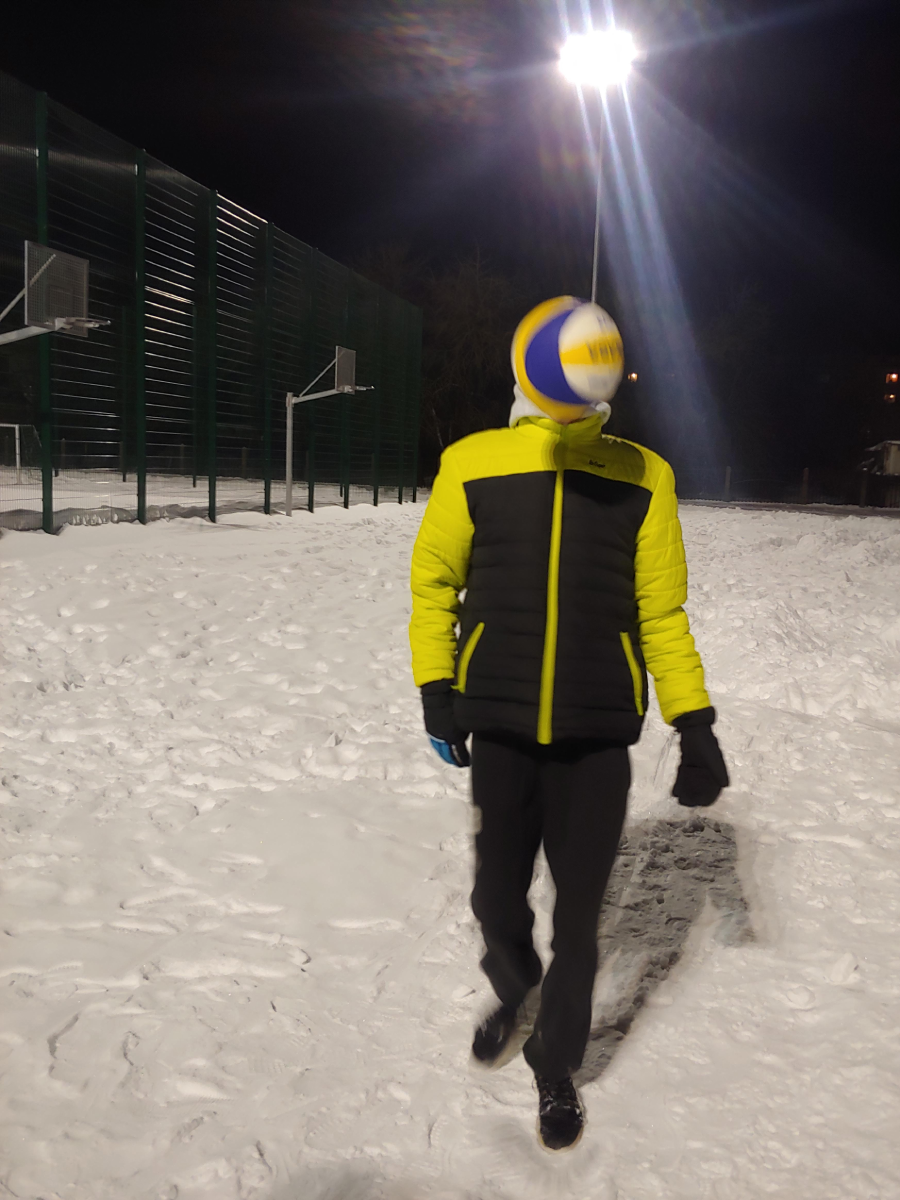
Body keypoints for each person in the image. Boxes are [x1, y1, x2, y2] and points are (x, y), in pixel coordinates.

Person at [408, 296, 728, 1152]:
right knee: (493, 898)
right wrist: (439, 687)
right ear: (529, 367)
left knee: (580, 924)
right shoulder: (472, 462)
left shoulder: (641, 475)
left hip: (595, 743)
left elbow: (663, 613)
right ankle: (513, 989)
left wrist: (693, 723)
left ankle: (555, 1068)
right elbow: (434, 584)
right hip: (503, 734)